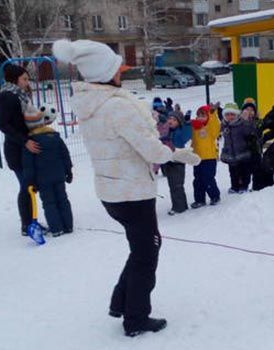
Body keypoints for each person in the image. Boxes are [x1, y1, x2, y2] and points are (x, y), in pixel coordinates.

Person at [53, 39, 200, 337]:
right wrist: (175, 154)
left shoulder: (93, 102)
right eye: (116, 66)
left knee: (141, 249)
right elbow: (151, 150)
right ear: (104, 71)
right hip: (131, 193)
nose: (121, 70)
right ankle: (135, 319)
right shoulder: (117, 105)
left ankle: (121, 301)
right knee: (148, 252)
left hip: (113, 191)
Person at [0, 64, 43, 235]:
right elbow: (3, 124)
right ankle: (27, 225)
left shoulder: (20, 95)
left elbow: (23, 121)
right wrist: (24, 141)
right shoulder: (8, 96)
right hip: (16, 150)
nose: (27, 82)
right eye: (24, 79)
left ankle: (32, 222)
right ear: (14, 79)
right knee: (26, 186)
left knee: (30, 185)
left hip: (25, 148)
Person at [22, 109, 74, 237]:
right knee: (63, 199)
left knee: (49, 203)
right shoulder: (55, 137)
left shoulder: (31, 143)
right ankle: (68, 226)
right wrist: (68, 171)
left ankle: (56, 229)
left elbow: (28, 166)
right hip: (59, 176)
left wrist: (30, 181)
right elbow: (65, 156)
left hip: (43, 179)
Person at [220, 102, 258, 194]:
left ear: (237, 115)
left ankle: (244, 186)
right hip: (230, 153)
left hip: (242, 152)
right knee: (233, 172)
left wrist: (246, 121)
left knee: (244, 171)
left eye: (232, 114)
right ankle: (235, 186)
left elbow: (250, 131)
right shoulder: (224, 125)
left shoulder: (241, 124)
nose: (230, 117)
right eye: (227, 115)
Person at [160, 111, 192, 215]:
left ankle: (180, 207)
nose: (171, 121)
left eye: (174, 120)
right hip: (169, 161)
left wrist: (187, 123)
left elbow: (186, 135)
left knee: (177, 185)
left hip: (178, 161)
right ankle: (177, 205)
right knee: (172, 185)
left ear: (179, 122)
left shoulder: (181, 131)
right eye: (170, 119)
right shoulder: (168, 131)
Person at [191, 105, 221, 208]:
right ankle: (199, 199)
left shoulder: (210, 128)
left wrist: (212, 113)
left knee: (208, 178)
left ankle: (215, 196)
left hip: (209, 158)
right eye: (198, 115)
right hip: (197, 158)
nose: (200, 117)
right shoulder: (194, 128)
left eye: (203, 115)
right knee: (197, 180)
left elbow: (215, 125)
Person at [240, 98, 264, 191]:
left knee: (257, 169)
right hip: (244, 151)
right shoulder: (240, 122)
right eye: (247, 109)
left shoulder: (258, 121)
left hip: (256, 150)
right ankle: (244, 186)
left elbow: (258, 133)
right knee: (244, 170)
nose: (249, 112)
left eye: (252, 110)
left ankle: (257, 186)